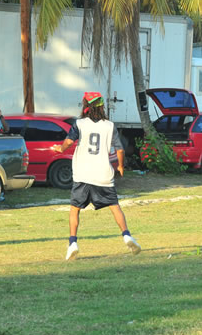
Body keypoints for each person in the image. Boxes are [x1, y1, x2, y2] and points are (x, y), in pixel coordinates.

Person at [52, 92, 140, 260]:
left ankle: (72, 243)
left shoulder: (79, 124)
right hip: (103, 173)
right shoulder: (109, 126)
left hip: (83, 173)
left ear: (86, 106)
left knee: (75, 210)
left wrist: (60, 148)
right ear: (101, 106)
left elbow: (69, 142)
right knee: (115, 206)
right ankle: (127, 236)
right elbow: (120, 150)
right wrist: (121, 166)